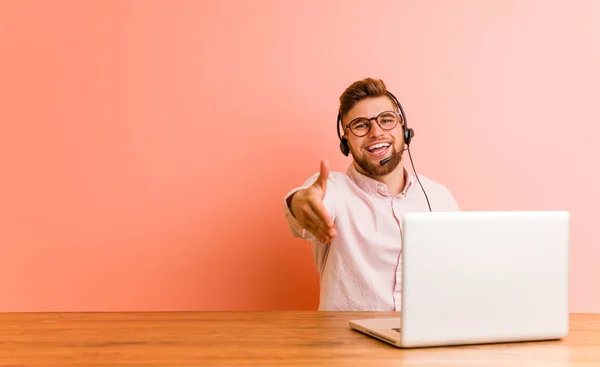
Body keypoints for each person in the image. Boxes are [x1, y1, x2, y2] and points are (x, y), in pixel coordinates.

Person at [283, 78, 461, 311]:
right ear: (345, 141)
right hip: (347, 345)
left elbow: (463, 269)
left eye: (386, 120)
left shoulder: (438, 197)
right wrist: (301, 204)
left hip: (424, 340)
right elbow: (308, 203)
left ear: (403, 129)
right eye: (360, 125)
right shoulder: (335, 189)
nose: (376, 132)